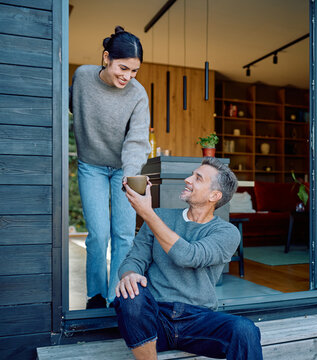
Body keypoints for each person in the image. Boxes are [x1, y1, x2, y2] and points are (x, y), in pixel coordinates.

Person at [113, 157, 263, 360]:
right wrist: (130, 275)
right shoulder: (160, 216)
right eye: (192, 174)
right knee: (130, 292)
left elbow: (189, 256)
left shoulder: (226, 232)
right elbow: (134, 259)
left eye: (198, 178)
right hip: (155, 316)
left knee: (245, 329)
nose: (187, 179)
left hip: (199, 319)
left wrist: (147, 213)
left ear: (214, 195)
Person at [70, 26, 151, 308]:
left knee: (124, 234)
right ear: (107, 58)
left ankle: (117, 297)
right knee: (99, 234)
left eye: (134, 71)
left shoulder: (138, 94)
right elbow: (66, 105)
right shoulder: (82, 77)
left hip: (122, 169)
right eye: (123, 67)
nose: (127, 76)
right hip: (90, 165)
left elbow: (137, 140)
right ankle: (95, 295)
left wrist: (130, 178)